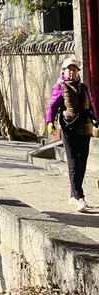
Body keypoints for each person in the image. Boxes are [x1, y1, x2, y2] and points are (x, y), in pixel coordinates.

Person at [47, 56, 99, 212]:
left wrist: (95, 119)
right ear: (64, 71)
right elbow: (52, 106)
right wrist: (50, 122)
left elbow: (90, 106)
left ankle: (73, 194)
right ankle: (79, 197)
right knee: (74, 163)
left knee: (82, 162)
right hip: (69, 128)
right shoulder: (60, 87)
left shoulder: (83, 87)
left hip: (85, 128)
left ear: (78, 72)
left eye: (75, 70)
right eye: (69, 70)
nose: (72, 72)